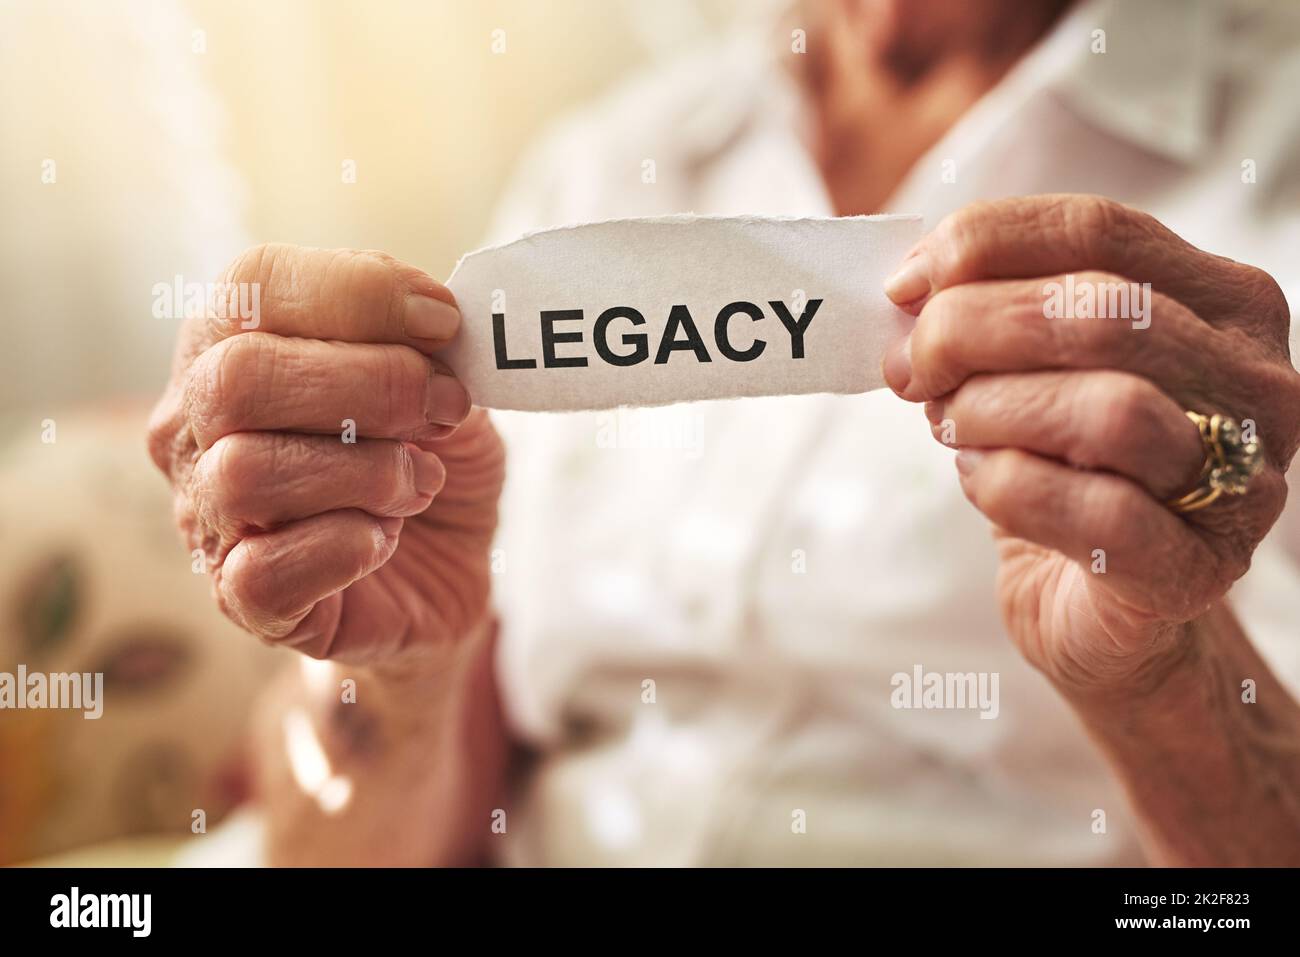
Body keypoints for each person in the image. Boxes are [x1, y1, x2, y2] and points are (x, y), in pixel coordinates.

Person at [147, 0, 1300, 866]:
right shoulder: (604, 158)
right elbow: (377, 823)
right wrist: (409, 679)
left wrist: (1158, 675)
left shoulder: (1270, 162)